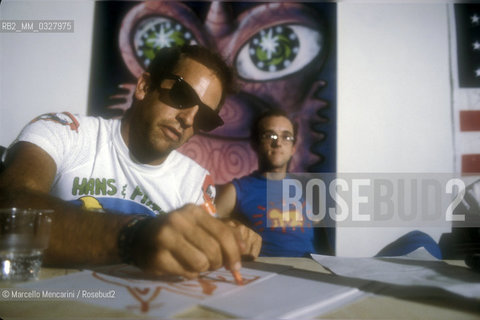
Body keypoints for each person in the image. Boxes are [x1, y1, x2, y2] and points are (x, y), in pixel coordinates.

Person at [0, 45, 261, 279]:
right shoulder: (64, 131)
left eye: (205, 118)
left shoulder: (195, 181)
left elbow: (200, 258)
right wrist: (134, 238)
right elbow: (10, 205)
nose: (189, 119)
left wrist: (223, 238)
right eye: (181, 95)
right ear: (144, 87)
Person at [215, 109, 331, 256]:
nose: (278, 143)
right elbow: (207, 232)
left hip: (312, 269)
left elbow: (324, 244)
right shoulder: (235, 190)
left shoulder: (308, 189)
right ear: (255, 144)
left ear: (293, 148)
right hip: (265, 271)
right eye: (270, 135)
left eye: (286, 137)